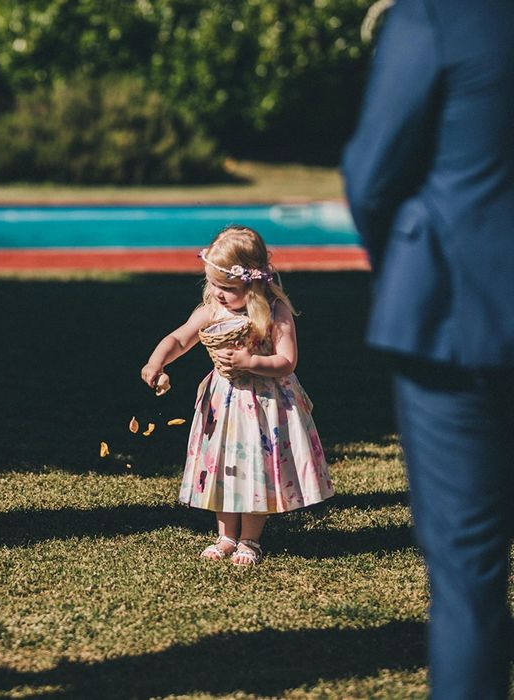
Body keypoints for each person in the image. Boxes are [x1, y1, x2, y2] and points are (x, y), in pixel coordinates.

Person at [342, 1, 514, 697]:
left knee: (469, 576)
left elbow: (373, 174)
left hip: (456, 323)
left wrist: (409, 268)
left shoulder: (438, 16)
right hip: (454, 318)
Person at [140, 226, 334, 565]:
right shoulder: (212, 311)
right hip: (225, 404)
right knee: (226, 466)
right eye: (213, 283)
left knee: (253, 467)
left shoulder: (275, 312)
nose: (217, 293)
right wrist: (156, 362)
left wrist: (251, 361)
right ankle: (225, 535)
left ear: (254, 282)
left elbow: (287, 361)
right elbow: (179, 339)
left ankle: (250, 540)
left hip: (264, 405)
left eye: (227, 287)